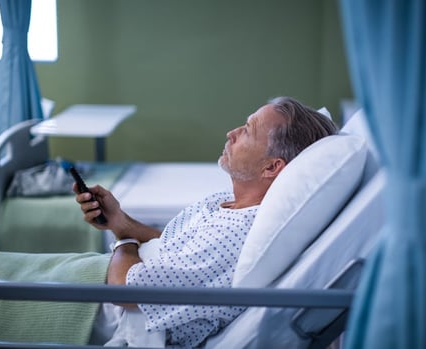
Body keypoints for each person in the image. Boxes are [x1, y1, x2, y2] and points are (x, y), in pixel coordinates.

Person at [75, 96, 339, 348]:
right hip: (99, 275)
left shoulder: (239, 234)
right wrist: (119, 221)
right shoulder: (225, 202)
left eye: (247, 130)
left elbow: (128, 292)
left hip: (93, 310)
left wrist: (125, 239)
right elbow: (175, 248)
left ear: (271, 167)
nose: (231, 133)